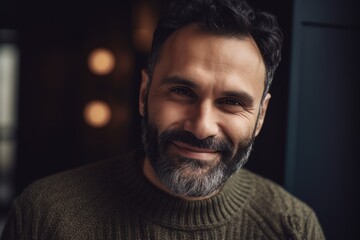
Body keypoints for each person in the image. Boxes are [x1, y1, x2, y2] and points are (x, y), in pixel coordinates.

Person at [1, 0, 325, 239]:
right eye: (182, 91)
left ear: (261, 116)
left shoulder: (292, 227)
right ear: (144, 93)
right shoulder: (44, 216)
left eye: (231, 102)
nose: (201, 127)